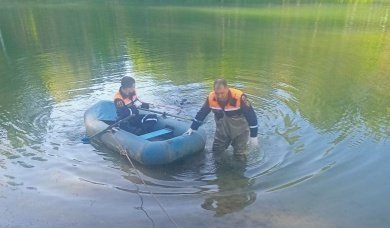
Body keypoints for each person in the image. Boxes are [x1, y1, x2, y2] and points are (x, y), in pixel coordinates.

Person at [185, 79, 258, 157]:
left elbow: (251, 116)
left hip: (240, 132)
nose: (219, 96)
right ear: (214, 91)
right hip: (222, 131)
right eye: (217, 93)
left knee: (240, 155)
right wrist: (193, 127)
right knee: (216, 152)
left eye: (222, 93)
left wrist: (254, 136)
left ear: (227, 89)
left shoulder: (240, 97)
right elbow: (202, 113)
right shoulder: (211, 98)